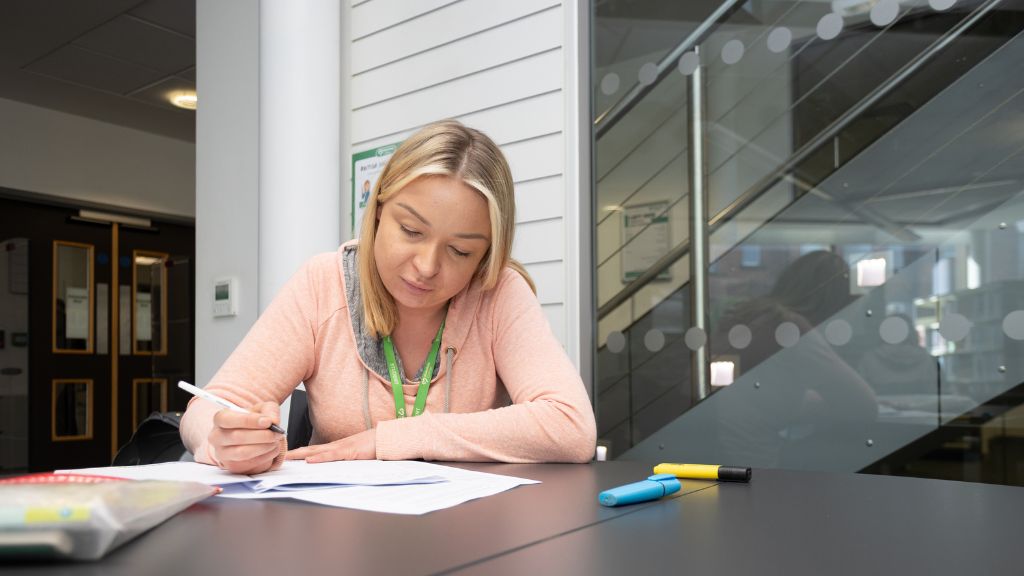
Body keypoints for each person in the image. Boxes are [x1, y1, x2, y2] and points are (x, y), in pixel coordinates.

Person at [180, 120, 597, 474]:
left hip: (471, 532)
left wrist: (392, 439)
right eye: (412, 231)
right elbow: (203, 413)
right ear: (379, 209)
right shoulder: (323, 284)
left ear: (486, 254)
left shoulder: (499, 292)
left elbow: (571, 426)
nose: (427, 266)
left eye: (460, 251)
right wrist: (222, 440)